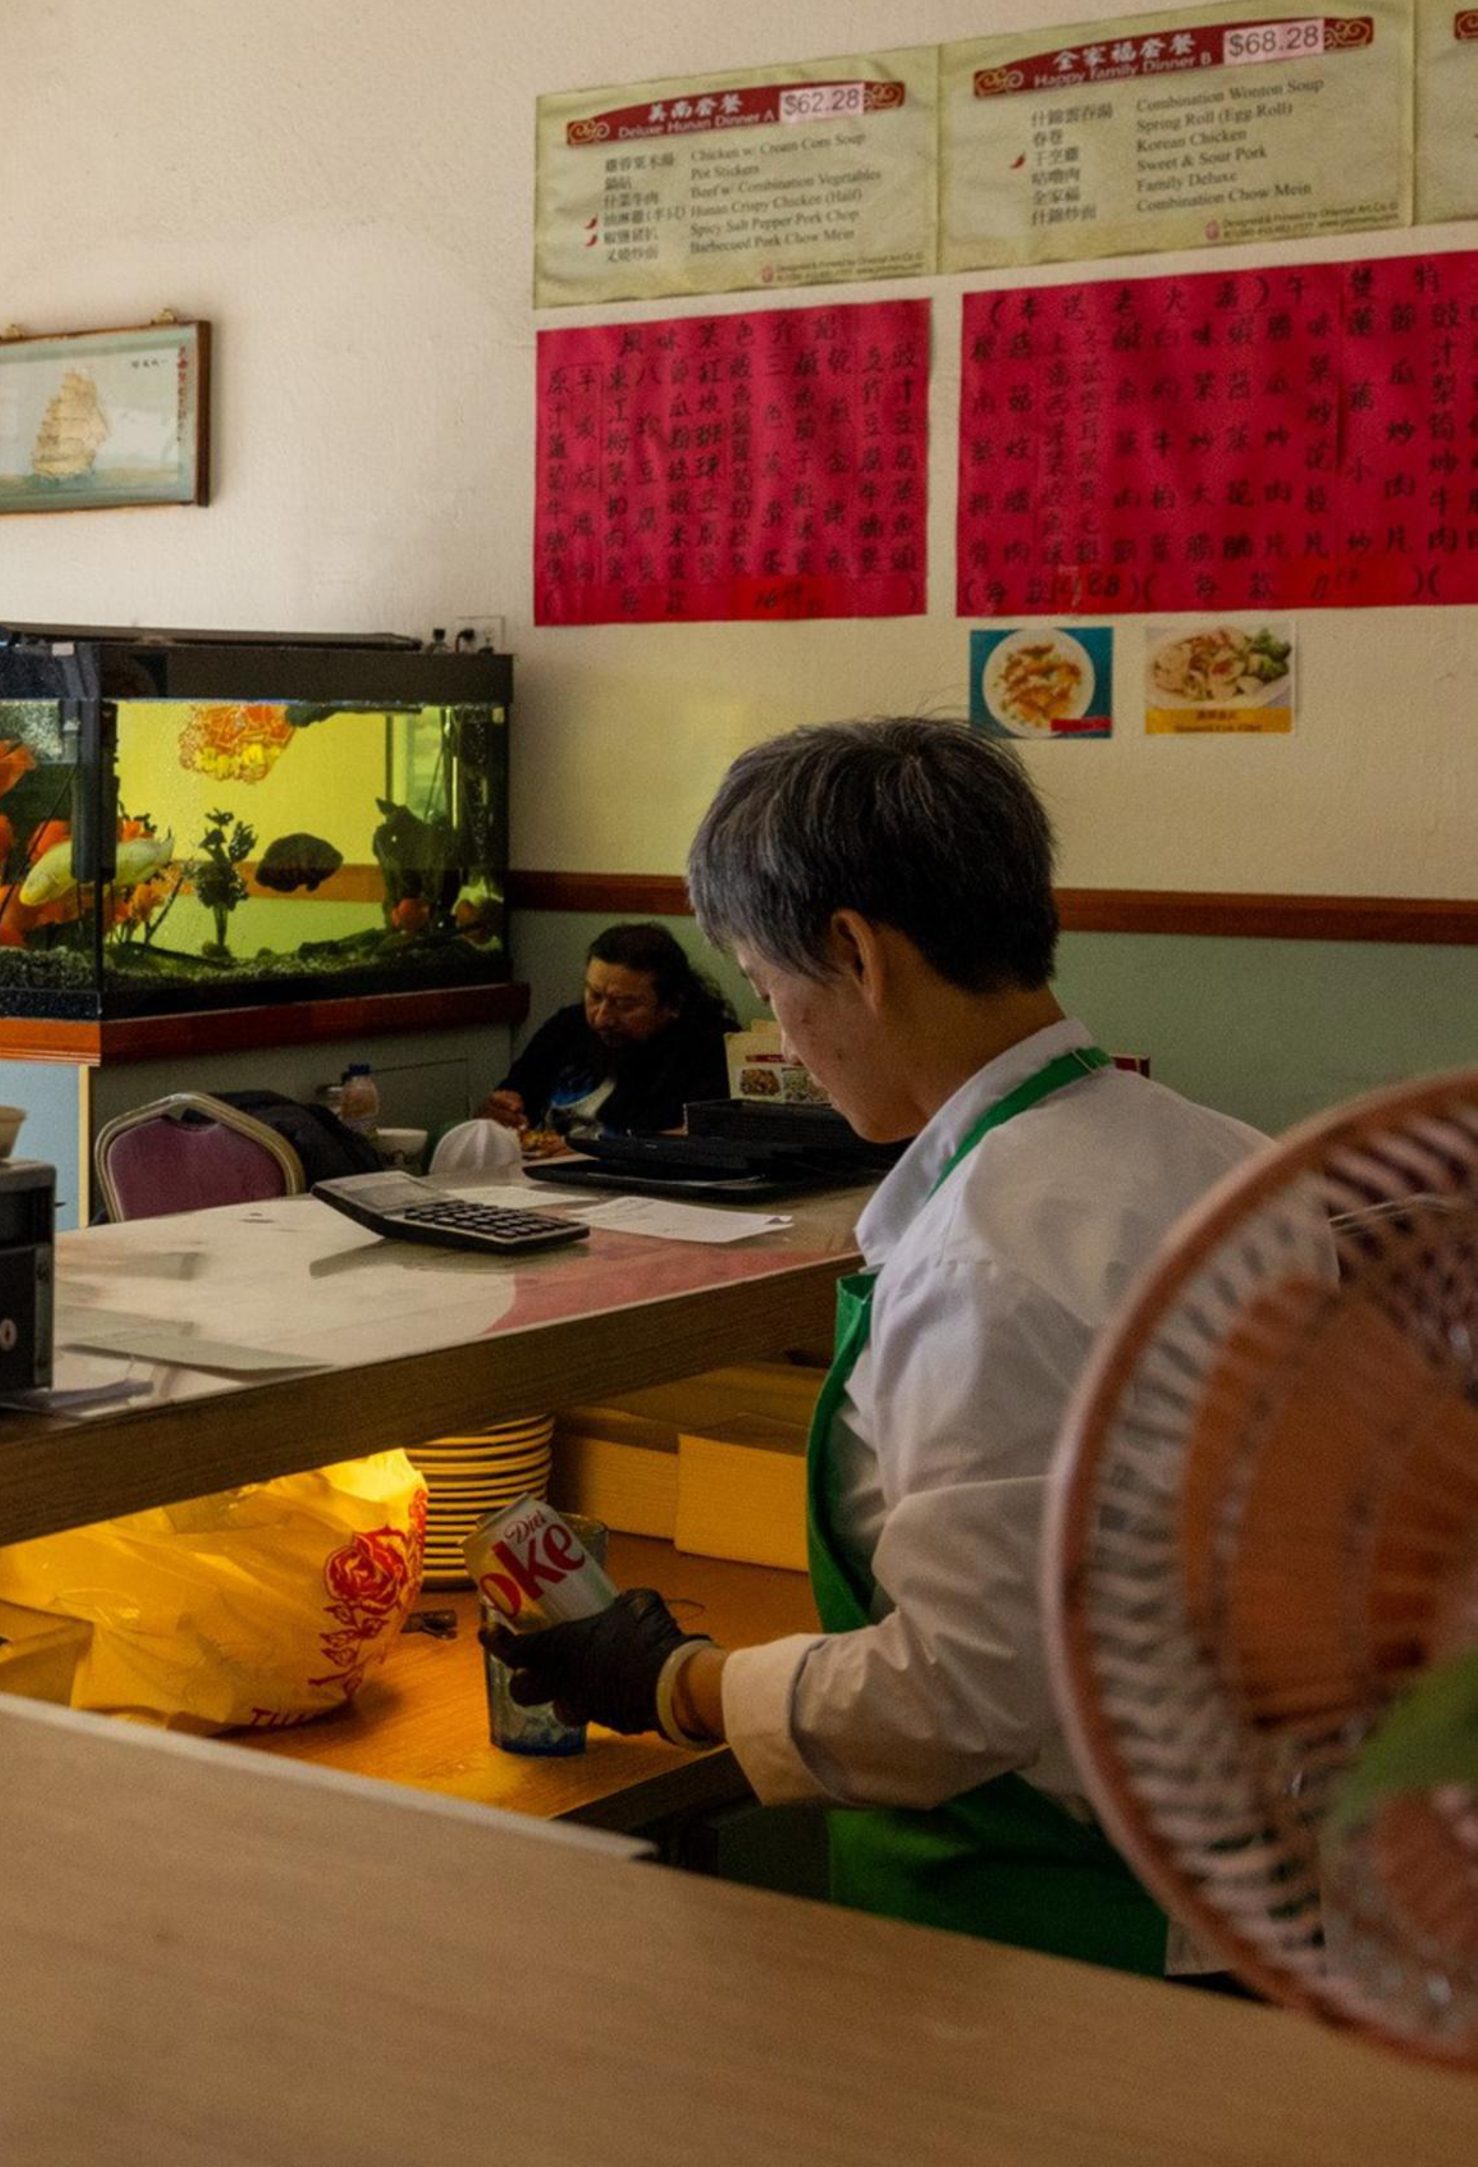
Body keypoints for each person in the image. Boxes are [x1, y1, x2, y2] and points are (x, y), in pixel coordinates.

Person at [483, 718, 1279, 1974]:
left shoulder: (988, 1257)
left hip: (1070, 1912)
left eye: (768, 988)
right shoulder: (1223, 1151)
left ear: (852, 951)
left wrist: (676, 1683)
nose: (782, 1034)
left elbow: (953, 1700)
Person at [481, 920, 740, 1139]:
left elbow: (705, 1136)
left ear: (672, 1004)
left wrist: (600, 1152)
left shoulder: (711, 1047)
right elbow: (511, 1100)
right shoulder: (567, 1026)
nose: (603, 1017)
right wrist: (498, 1111)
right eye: (594, 995)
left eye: (625, 1005)